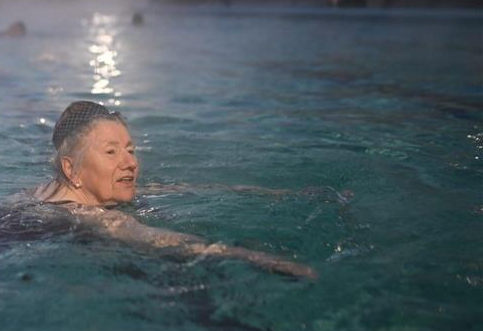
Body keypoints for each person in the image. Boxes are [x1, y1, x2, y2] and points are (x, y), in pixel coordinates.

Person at [34, 101, 317, 279]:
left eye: (130, 150)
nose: (130, 162)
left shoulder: (43, 192)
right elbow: (155, 238)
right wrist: (253, 258)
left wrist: (267, 193)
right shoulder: (88, 216)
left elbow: (171, 188)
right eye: (111, 152)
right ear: (71, 169)